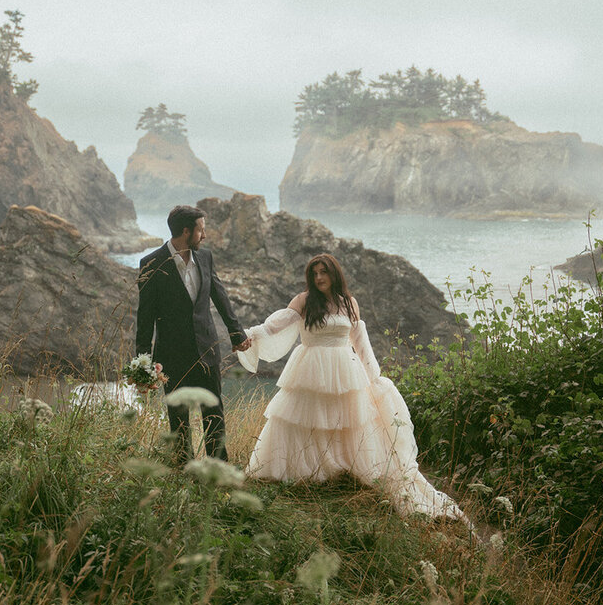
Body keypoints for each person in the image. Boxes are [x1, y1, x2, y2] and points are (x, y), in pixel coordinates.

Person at [236, 253, 466, 520]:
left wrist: (375, 378)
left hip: (345, 369)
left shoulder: (349, 303)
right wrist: (247, 335)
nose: (319, 278)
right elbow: (274, 326)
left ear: (335, 274)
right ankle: (304, 473)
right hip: (310, 368)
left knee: (342, 422)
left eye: (324, 272)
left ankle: (337, 471)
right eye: (315, 274)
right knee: (306, 420)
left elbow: (360, 340)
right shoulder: (304, 301)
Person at [136, 205, 251, 463]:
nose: (205, 235)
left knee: (214, 414)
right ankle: (182, 471)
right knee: (178, 421)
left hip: (207, 350)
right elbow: (144, 319)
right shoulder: (151, 263)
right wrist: (142, 366)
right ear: (186, 231)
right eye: (201, 229)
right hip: (171, 355)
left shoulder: (205, 257)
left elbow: (220, 297)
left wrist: (237, 334)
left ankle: (218, 470)